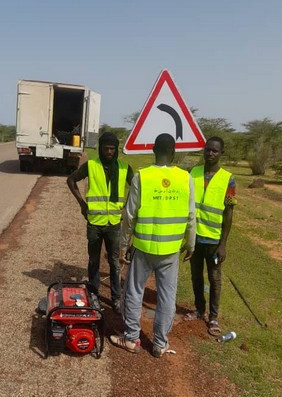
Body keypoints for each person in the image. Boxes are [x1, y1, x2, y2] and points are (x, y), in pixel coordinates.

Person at [110, 133, 196, 358]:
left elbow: (129, 216)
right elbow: (191, 215)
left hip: (143, 247)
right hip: (171, 251)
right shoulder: (185, 178)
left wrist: (123, 245)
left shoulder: (142, 176)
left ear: (153, 150)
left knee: (134, 291)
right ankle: (159, 344)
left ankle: (131, 339)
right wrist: (191, 244)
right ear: (174, 153)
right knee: (167, 297)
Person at [67, 132, 134, 312]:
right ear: (100, 149)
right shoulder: (91, 166)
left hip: (114, 223)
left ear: (117, 149)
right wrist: (82, 204)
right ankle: (94, 294)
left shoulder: (124, 168)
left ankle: (116, 298)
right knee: (94, 260)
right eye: (106, 148)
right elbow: (71, 180)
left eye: (112, 149)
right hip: (95, 222)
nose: (109, 152)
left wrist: (128, 207)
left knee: (114, 262)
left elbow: (137, 188)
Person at [183, 136, 237, 336]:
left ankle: (213, 317)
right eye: (208, 149)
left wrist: (223, 244)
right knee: (196, 276)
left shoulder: (228, 179)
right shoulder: (193, 173)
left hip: (214, 241)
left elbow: (229, 213)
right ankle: (199, 309)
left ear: (221, 153)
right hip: (195, 238)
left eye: (215, 151)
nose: (210, 153)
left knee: (215, 279)